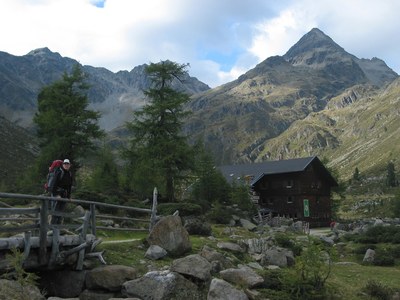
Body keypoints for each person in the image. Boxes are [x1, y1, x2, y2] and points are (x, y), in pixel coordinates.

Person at [50, 159, 73, 225]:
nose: (66, 165)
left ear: (69, 165)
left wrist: (69, 197)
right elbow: (54, 184)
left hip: (64, 194)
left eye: (67, 164)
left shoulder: (69, 174)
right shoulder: (59, 172)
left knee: (61, 210)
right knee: (55, 210)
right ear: (62, 165)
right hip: (57, 193)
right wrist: (56, 194)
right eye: (65, 164)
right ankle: (52, 226)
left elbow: (69, 186)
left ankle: (58, 227)